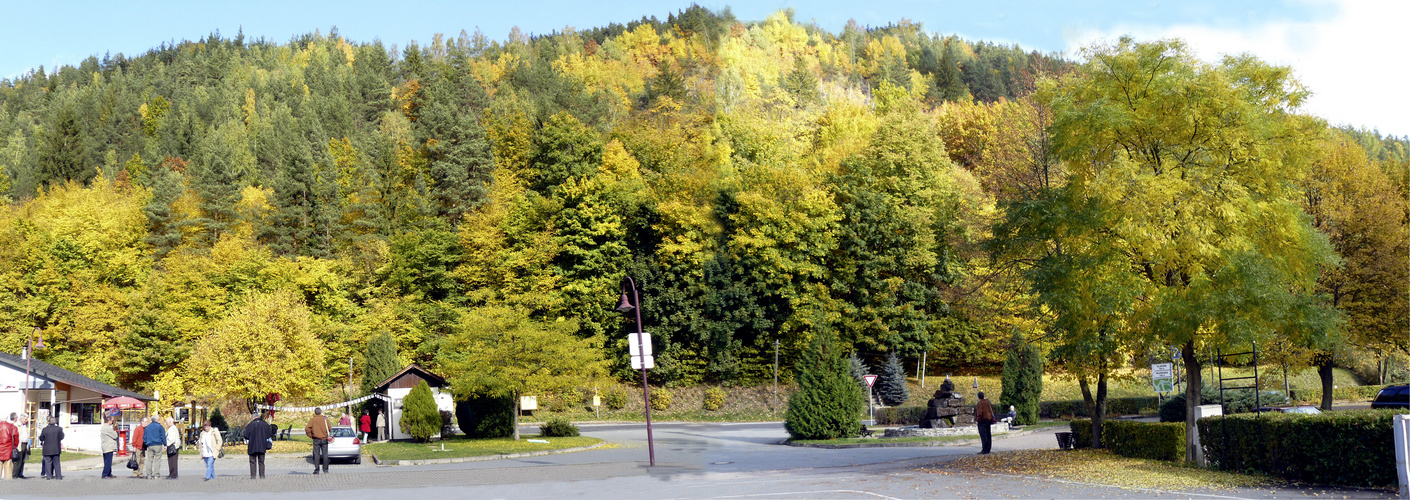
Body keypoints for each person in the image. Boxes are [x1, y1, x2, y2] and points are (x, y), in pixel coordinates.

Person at [242, 412, 272, 479]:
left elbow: (245, 435)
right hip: (262, 446)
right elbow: (269, 434)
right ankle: (262, 476)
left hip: (252, 446)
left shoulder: (250, 425)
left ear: (253, 418)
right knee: (261, 462)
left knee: (252, 462)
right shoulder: (265, 424)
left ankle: (253, 477)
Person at [306, 408, 332, 474]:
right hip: (324, 439)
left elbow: (307, 429)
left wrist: (311, 435)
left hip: (316, 439)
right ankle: (325, 469)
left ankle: (317, 470)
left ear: (315, 413)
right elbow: (330, 428)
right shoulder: (325, 419)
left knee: (316, 455)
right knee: (325, 455)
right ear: (320, 412)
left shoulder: (313, 420)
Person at [0, 413, 18, 480]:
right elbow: (16, 438)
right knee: (8, 473)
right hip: (8, 450)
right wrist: (15, 446)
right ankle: (8, 486)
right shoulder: (12, 427)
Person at [13, 414, 30, 479]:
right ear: (21, 419)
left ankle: (20, 473)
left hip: (25, 444)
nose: (26, 420)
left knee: (23, 459)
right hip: (20, 444)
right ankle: (15, 475)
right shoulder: (17, 425)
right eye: (25, 419)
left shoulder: (26, 425)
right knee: (18, 460)